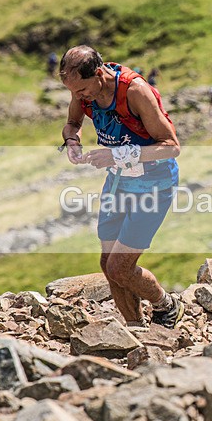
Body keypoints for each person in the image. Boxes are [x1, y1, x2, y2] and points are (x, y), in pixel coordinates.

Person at [58, 45, 184, 329]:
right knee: (107, 264)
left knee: (120, 267)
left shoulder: (135, 91)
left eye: (82, 90)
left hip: (153, 182)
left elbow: (171, 147)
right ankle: (134, 327)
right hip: (117, 181)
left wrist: (117, 155)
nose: (78, 97)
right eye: (72, 91)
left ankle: (167, 305)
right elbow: (72, 122)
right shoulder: (81, 90)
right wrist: (72, 142)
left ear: (99, 73)